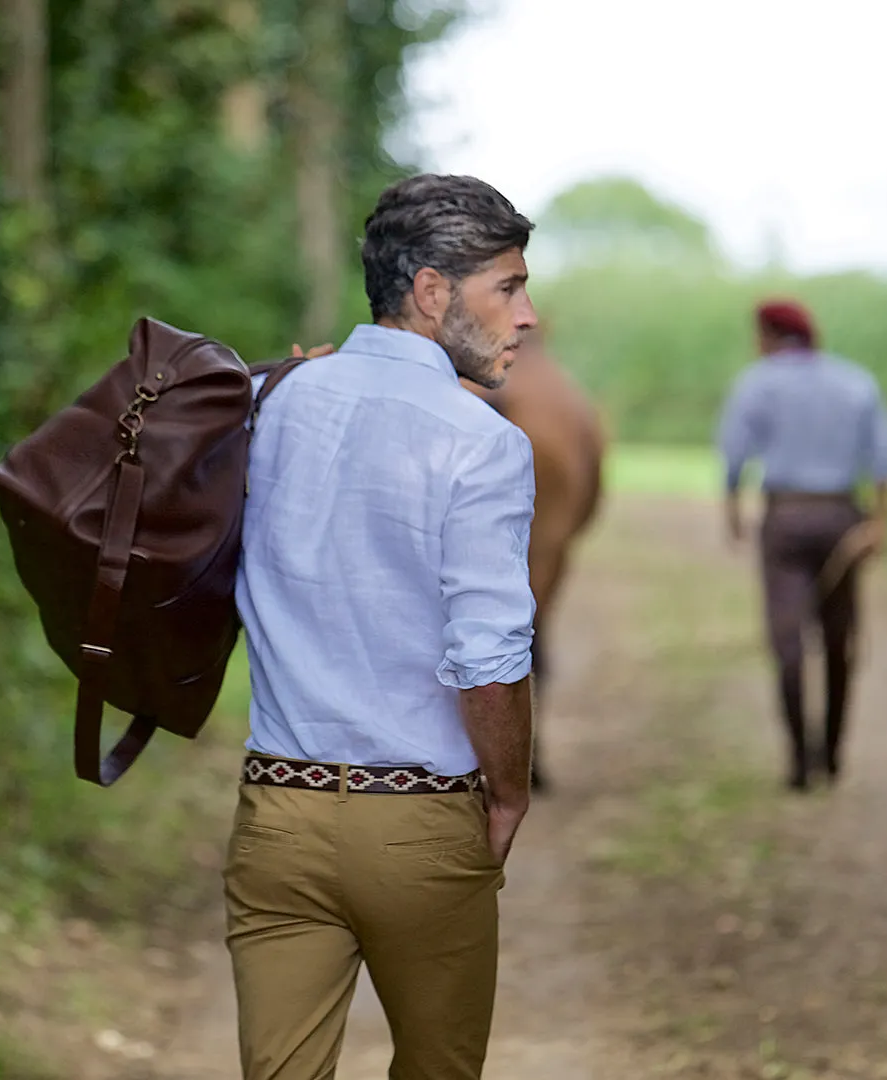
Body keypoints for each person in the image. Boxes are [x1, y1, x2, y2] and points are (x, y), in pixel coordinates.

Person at [226, 174, 539, 1080]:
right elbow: (488, 656)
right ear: (432, 292)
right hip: (419, 820)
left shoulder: (268, 396)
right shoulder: (481, 441)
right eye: (509, 287)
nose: (527, 316)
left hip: (275, 815)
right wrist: (510, 793)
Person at [717, 300, 887, 791]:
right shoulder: (855, 380)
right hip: (843, 516)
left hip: (787, 518)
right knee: (839, 639)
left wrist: (733, 510)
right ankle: (832, 754)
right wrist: (880, 521)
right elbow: (884, 454)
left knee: (787, 639)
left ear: (770, 335)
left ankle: (799, 761)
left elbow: (734, 452)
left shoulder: (758, 381)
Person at [460, 325, 605, 790]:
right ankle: (525, 753)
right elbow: (583, 517)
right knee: (532, 623)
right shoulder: (561, 395)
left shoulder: (460, 383)